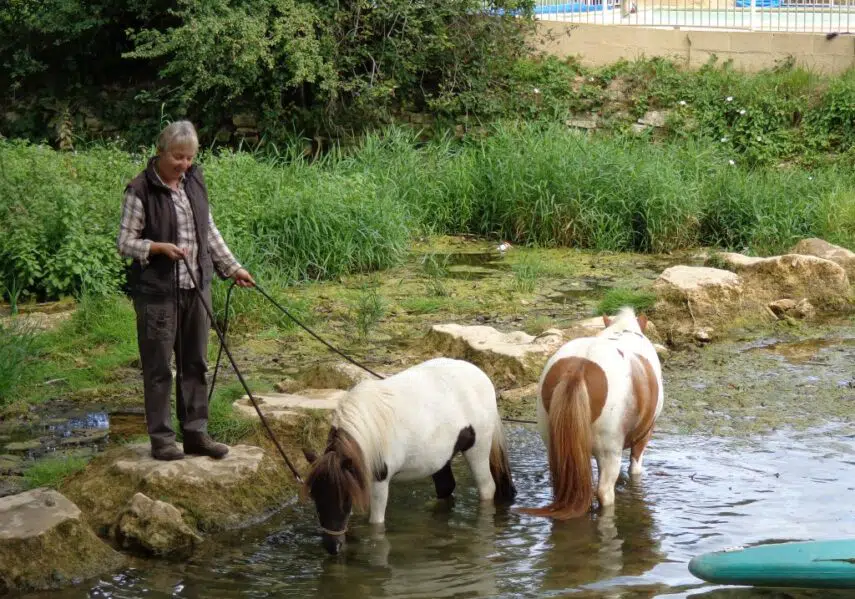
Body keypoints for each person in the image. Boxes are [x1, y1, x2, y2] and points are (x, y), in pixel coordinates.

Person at [117, 120, 255, 461]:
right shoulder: (140, 190)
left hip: (197, 288)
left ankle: (196, 434)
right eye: (178, 157)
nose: (185, 164)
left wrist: (232, 267)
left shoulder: (194, 181)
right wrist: (157, 248)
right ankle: (162, 439)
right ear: (161, 152)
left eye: (190, 157)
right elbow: (125, 243)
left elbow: (208, 230)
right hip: (158, 293)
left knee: (195, 363)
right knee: (159, 367)